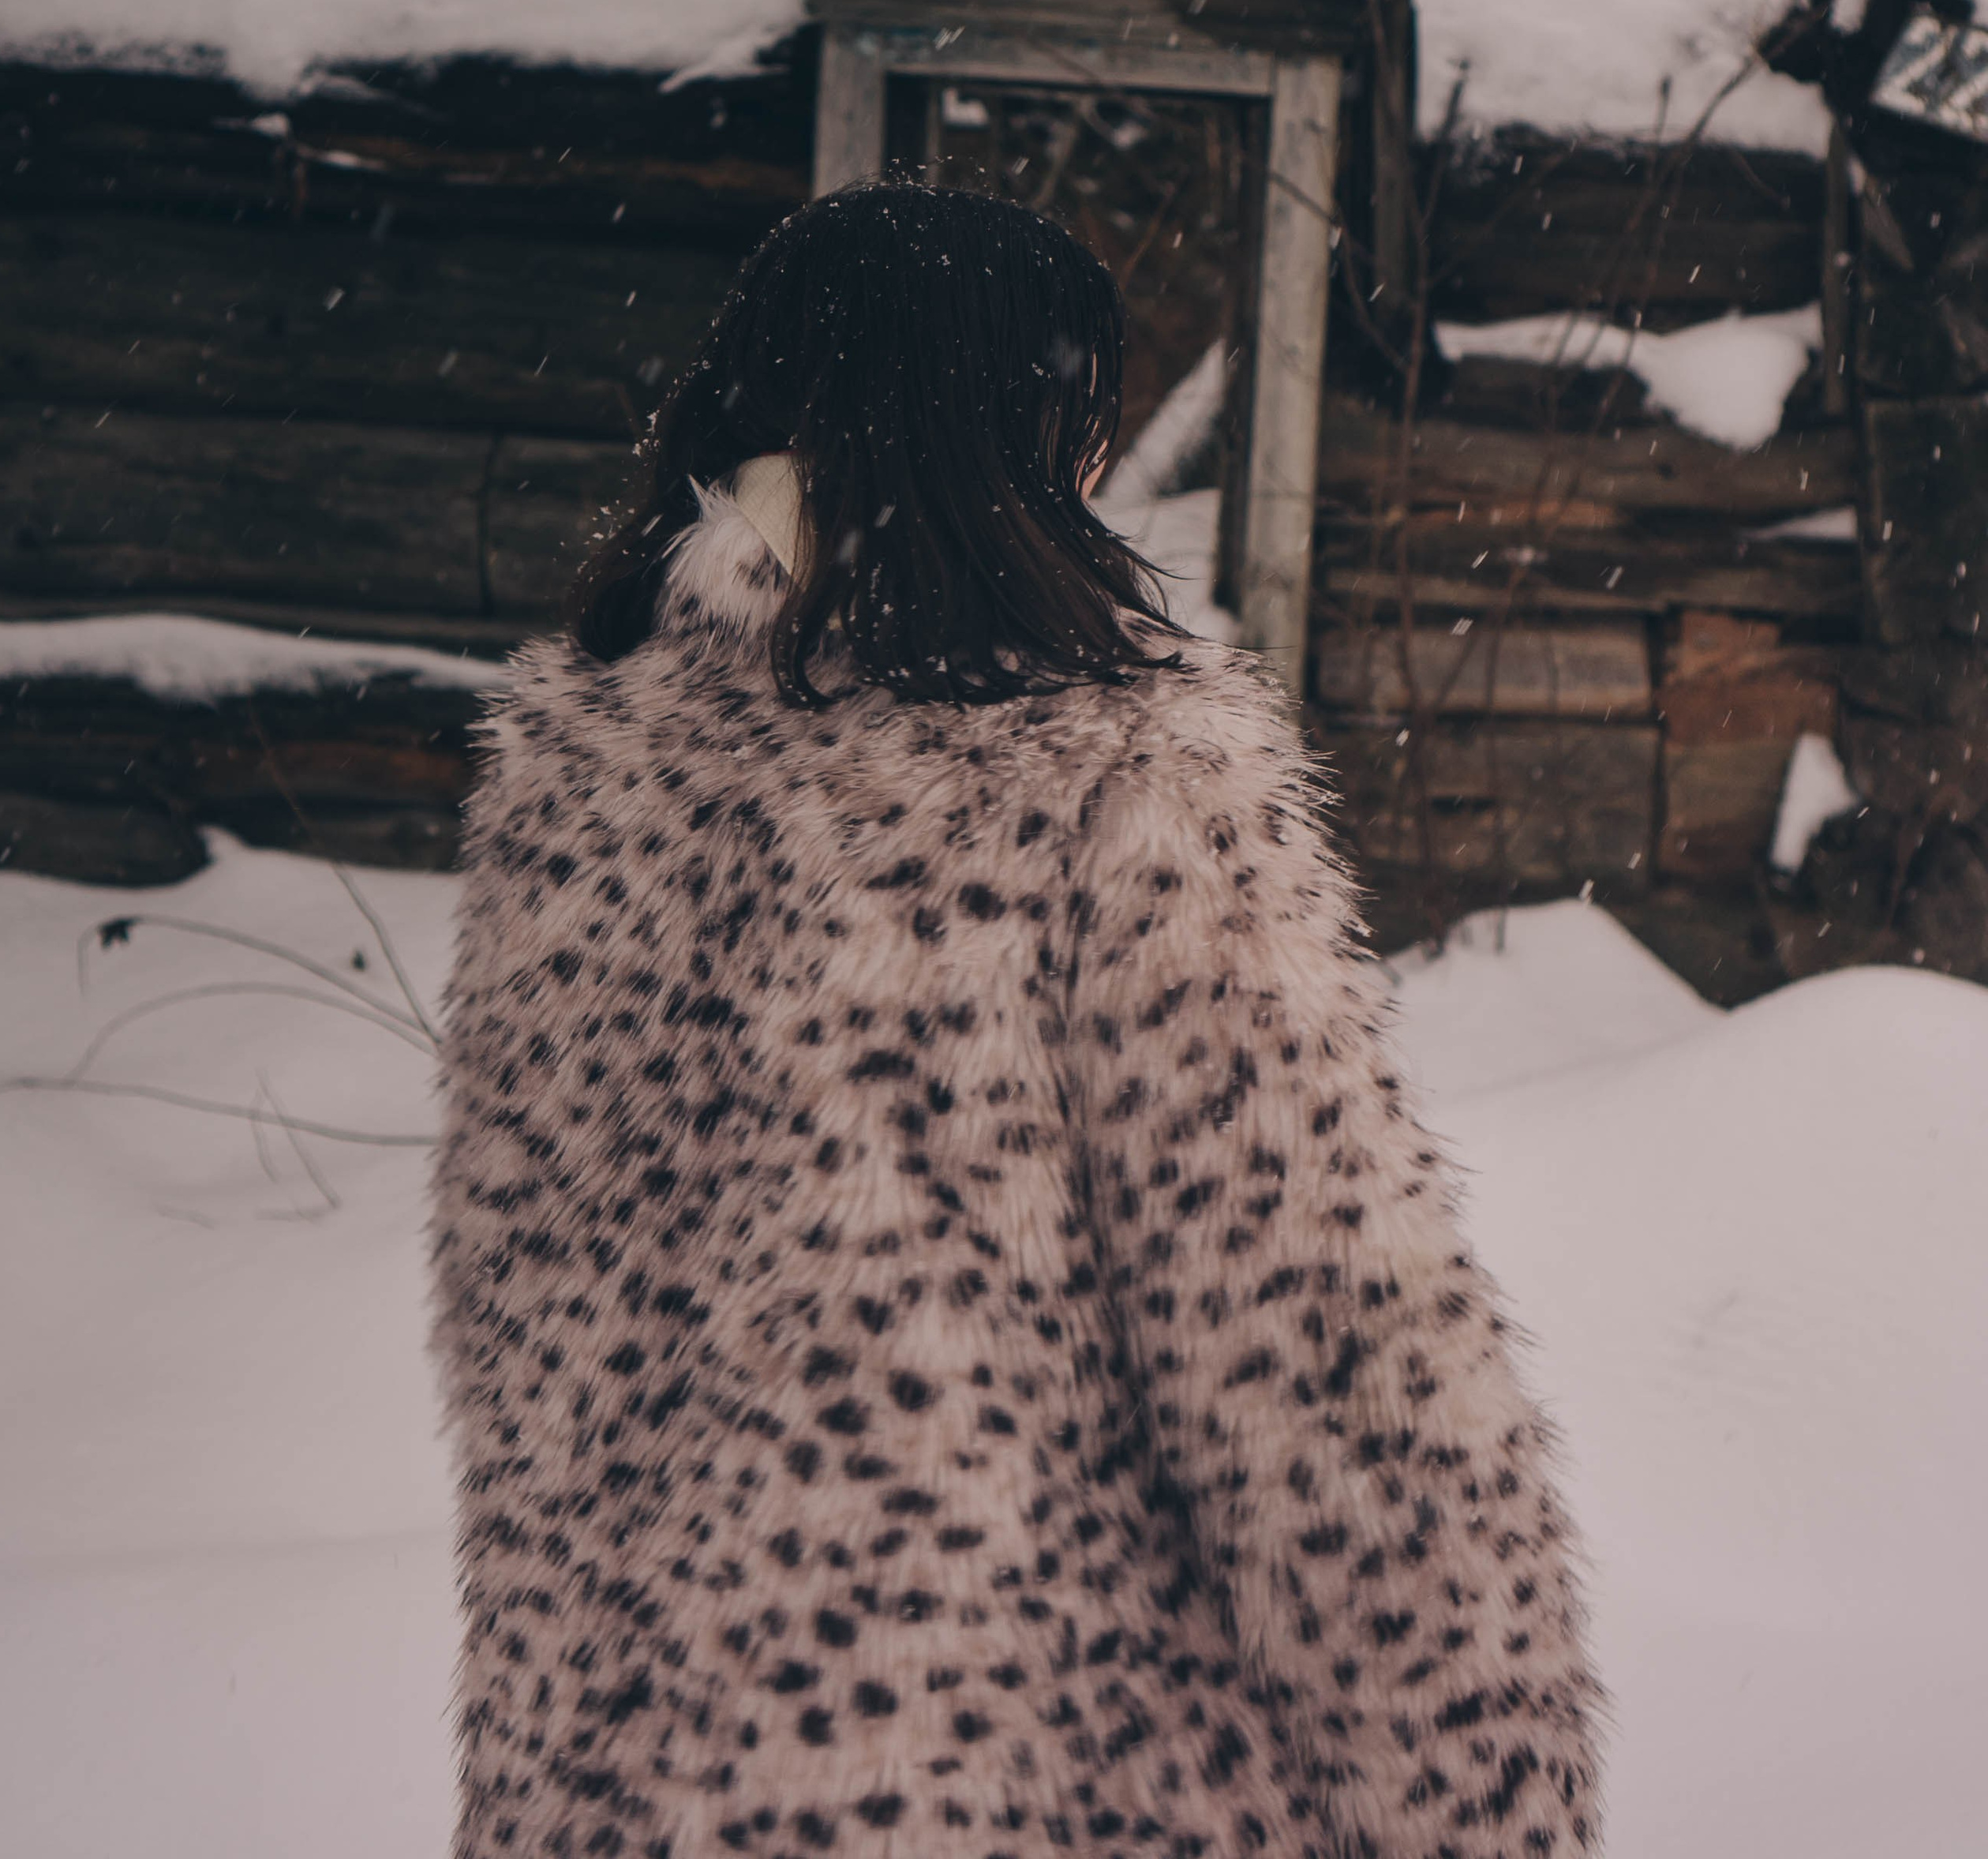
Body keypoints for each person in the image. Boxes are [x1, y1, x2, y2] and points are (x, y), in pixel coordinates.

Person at [432, 181, 1605, 1859]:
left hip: (633, 1789)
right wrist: (1486, 1796)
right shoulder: (1117, 769)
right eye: (1082, 426)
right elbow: (1318, 1360)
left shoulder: (580, 771)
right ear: (1018, 431)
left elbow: (530, 1348)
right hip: (1032, 1779)